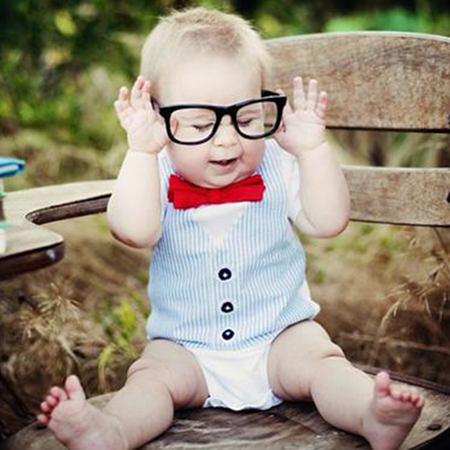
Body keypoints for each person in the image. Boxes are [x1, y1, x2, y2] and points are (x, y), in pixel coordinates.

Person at [37, 7, 424, 450]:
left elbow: (328, 221)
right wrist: (141, 153)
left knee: (324, 364)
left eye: (244, 119)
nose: (226, 140)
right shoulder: (154, 170)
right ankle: (110, 432)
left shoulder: (279, 163)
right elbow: (134, 231)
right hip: (187, 350)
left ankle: (371, 415)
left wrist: (313, 149)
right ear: (162, 120)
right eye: (201, 124)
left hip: (281, 338)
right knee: (150, 379)